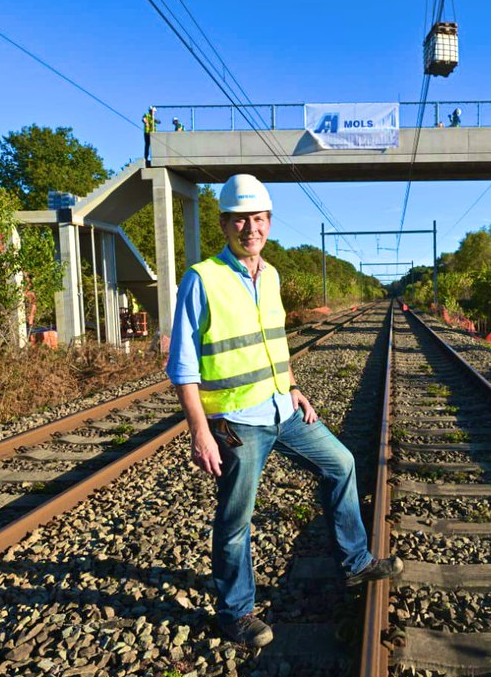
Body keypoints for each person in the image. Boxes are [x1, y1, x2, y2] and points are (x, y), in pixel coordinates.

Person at [167, 174, 402, 648]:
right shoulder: (202, 279)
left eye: (256, 218)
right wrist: (200, 431)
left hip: (282, 409)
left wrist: (295, 388)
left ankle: (356, 562)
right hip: (237, 423)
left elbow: (273, 343)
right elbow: (183, 367)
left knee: (342, 464)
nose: (248, 228)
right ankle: (234, 613)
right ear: (224, 224)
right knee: (236, 521)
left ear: (268, 223)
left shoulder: (271, 275)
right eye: (239, 219)